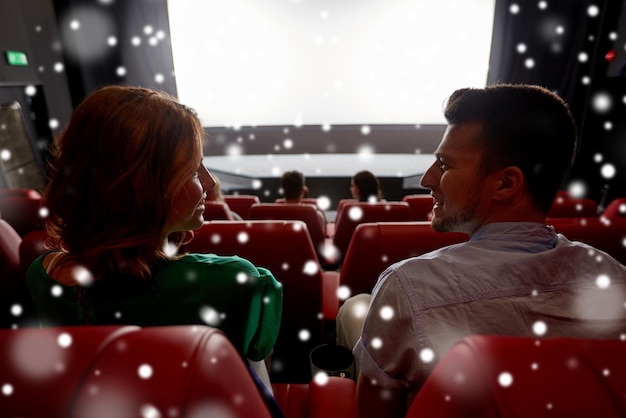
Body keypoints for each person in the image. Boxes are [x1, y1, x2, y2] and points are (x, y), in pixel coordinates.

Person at [337, 84, 626, 418]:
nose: (427, 179)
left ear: (505, 184)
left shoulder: (407, 287)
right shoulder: (616, 278)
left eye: (444, 165)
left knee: (356, 307)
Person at [26, 85, 283, 389]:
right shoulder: (238, 281)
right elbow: (255, 366)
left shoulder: (40, 275)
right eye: (191, 171)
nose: (209, 181)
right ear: (142, 188)